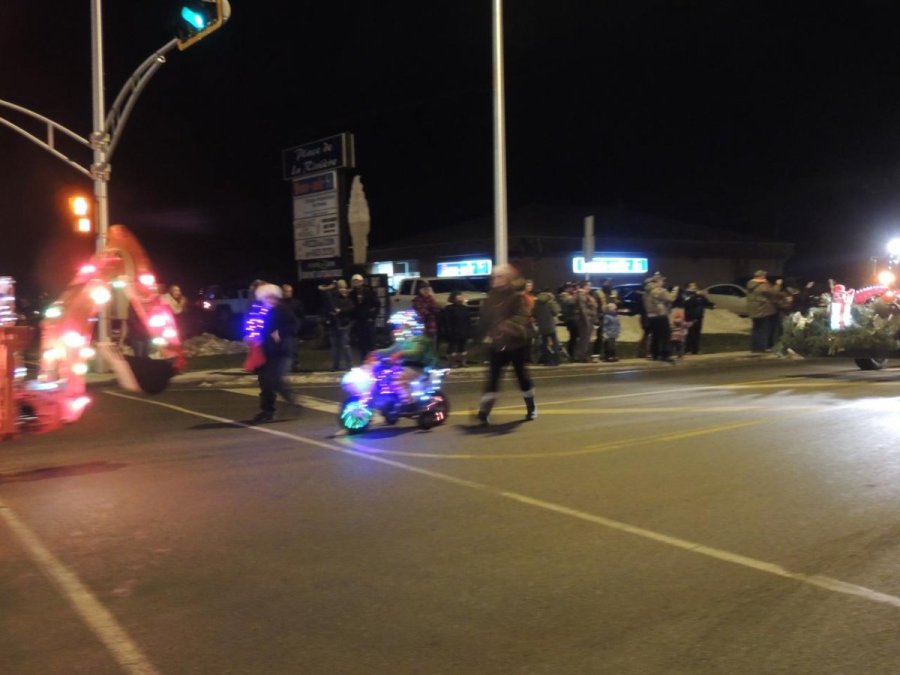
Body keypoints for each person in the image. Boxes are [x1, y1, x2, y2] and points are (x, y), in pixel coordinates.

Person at [475, 264, 536, 424]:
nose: (496, 280)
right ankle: (484, 411)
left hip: (516, 344)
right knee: (493, 378)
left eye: (500, 276)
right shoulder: (490, 298)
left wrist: (505, 326)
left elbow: (522, 317)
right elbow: (484, 321)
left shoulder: (516, 297)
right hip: (497, 344)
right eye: (494, 277)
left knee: (522, 376)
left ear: (507, 279)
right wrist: (477, 340)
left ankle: (531, 407)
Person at [251, 284, 299, 424]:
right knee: (264, 381)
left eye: (271, 297)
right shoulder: (261, 312)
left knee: (276, 378)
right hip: (267, 351)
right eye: (265, 297)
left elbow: (294, 325)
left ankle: (293, 402)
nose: (268, 300)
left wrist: (280, 334)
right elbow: (257, 328)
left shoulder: (282, 310)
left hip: (283, 351)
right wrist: (253, 336)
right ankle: (267, 410)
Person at [369, 310, 440, 402]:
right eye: (398, 326)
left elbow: (416, 353)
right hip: (405, 366)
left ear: (410, 325)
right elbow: (392, 350)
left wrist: (401, 354)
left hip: (418, 368)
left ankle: (409, 402)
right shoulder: (404, 339)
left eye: (401, 325)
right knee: (383, 376)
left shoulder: (420, 339)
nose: (399, 328)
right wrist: (375, 353)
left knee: (398, 379)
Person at [643, 272, 679, 362]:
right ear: (658, 281)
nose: (663, 282)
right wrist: (675, 290)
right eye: (662, 281)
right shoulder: (659, 290)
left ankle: (654, 354)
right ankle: (665, 354)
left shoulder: (646, 292)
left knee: (655, 336)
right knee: (665, 336)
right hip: (660, 315)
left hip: (650, 316)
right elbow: (671, 298)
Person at [746, 270, 782, 352]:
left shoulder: (751, 284)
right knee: (763, 329)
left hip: (754, 310)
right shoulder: (762, 285)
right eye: (764, 275)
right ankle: (761, 347)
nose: (765, 277)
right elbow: (773, 292)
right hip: (762, 310)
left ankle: (756, 347)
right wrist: (778, 284)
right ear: (761, 276)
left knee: (756, 329)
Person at [349, 273, 380, 364]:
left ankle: (373, 361)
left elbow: (377, 304)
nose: (356, 283)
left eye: (358, 281)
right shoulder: (352, 293)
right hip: (359, 321)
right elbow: (351, 307)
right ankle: (363, 361)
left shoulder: (369, 291)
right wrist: (353, 318)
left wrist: (372, 317)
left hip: (369, 320)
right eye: (354, 282)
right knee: (361, 342)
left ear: (362, 281)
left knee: (371, 342)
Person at [438, 291, 472, 367]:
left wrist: (469, 331)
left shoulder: (464, 308)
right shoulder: (449, 308)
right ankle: (452, 362)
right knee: (452, 347)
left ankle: (463, 362)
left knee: (463, 347)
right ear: (453, 298)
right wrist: (448, 331)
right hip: (453, 331)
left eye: (461, 296)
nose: (460, 298)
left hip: (463, 330)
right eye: (458, 297)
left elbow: (468, 320)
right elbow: (447, 321)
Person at [329, 279, 354, 371]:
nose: (342, 290)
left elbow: (351, 308)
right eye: (340, 288)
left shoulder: (348, 298)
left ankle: (349, 365)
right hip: (334, 325)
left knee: (345, 345)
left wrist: (341, 311)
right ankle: (335, 365)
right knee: (335, 347)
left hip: (344, 324)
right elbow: (329, 307)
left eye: (343, 288)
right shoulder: (333, 297)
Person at [681, 282, 712, 354]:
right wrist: (696, 295)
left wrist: (705, 297)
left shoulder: (699, 296)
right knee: (691, 333)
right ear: (688, 287)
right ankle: (687, 350)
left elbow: (705, 303)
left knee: (697, 334)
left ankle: (695, 350)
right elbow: (687, 303)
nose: (694, 287)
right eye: (692, 286)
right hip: (690, 317)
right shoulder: (686, 294)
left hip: (699, 316)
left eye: (695, 286)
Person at [533, 287, 561, 365]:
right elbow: (556, 311)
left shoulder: (536, 302)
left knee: (544, 343)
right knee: (554, 343)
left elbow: (534, 313)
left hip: (541, 326)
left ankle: (546, 359)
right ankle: (554, 360)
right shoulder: (550, 301)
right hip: (550, 325)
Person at [281, 283, 305, 372]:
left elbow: (301, 316)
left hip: (293, 330)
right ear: (283, 292)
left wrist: (298, 326)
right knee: (283, 349)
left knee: (293, 348)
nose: (289, 293)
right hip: (282, 330)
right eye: (287, 291)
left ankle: (295, 365)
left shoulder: (296, 303)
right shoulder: (279, 303)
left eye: (290, 291)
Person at [574, 281, 598, 362]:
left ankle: (583, 355)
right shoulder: (581, 295)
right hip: (584, 320)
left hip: (589, 319)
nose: (590, 287)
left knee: (586, 338)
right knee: (584, 338)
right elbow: (582, 308)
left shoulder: (587, 295)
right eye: (588, 285)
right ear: (583, 286)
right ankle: (582, 356)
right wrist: (586, 320)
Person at [412, 281, 441, 348]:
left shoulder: (431, 298)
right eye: (424, 290)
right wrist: (431, 311)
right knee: (422, 344)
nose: (426, 291)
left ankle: (432, 353)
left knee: (432, 342)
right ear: (420, 291)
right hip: (421, 325)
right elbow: (422, 311)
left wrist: (433, 310)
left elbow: (436, 310)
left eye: (428, 289)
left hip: (432, 325)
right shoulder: (417, 300)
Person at [557, 283, 578, 362]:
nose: (572, 289)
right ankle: (571, 354)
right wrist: (575, 295)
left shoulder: (565, 297)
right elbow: (573, 303)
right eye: (571, 288)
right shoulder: (566, 298)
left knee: (574, 337)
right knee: (573, 338)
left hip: (570, 319)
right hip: (571, 320)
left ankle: (571, 354)